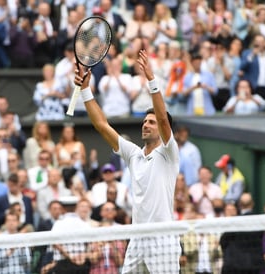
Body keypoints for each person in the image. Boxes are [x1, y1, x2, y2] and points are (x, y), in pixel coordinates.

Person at [74, 49, 181, 272]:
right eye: (144, 121)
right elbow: (102, 125)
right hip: (137, 238)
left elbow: (163, 117)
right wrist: (85, 91)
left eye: (151, 122)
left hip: (163, 240)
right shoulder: (133, 154)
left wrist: (151, 79)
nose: (146, 124)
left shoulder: (169, 153)